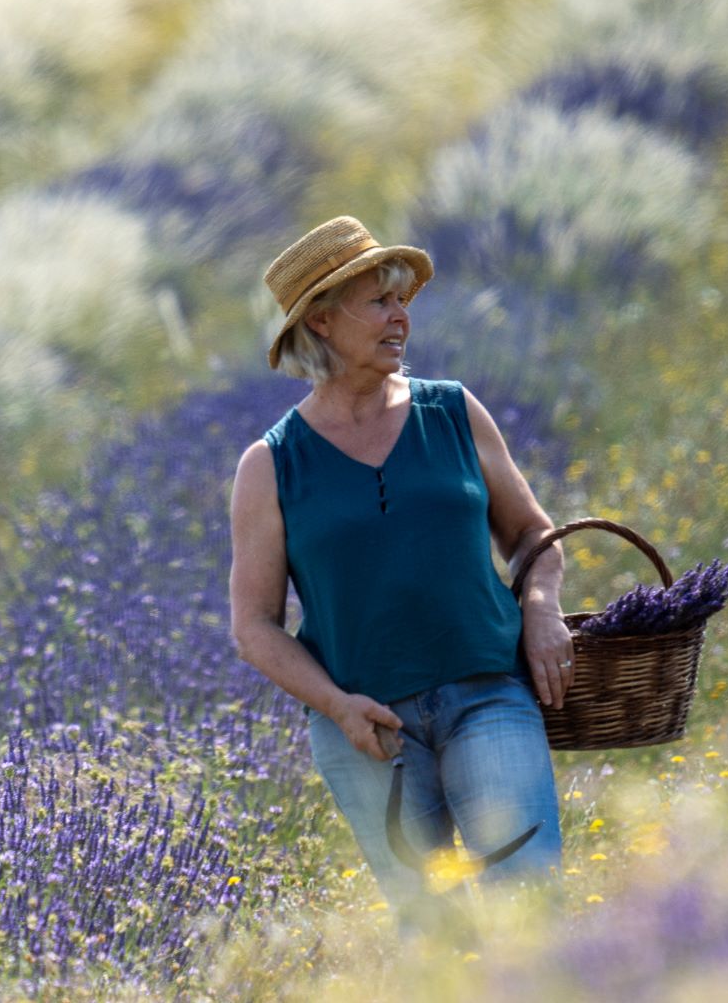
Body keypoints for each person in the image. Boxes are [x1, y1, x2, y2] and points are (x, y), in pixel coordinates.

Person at [227, 215, 572, 939]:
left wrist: (541, 612)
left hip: (488, 695)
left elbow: (534, 535)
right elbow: (254, 626)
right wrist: (338, 705)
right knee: (435, 937)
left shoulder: (451, 412)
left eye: (401, 299)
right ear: (321, 321)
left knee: (528, 907)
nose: (400, 316)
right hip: (367, 735)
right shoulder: (271, 465)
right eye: (379, 301)